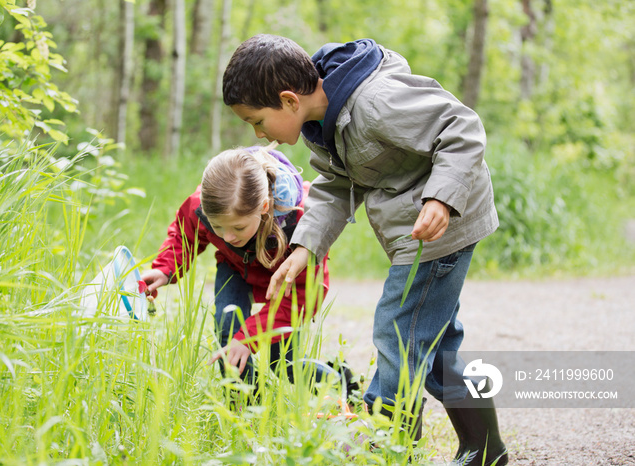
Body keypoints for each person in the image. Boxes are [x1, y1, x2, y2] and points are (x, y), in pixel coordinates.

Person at [222, 34, 508, 465]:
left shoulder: (376, 102)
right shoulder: (322, 124)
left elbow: (462, 127)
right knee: (432, 347)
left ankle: (385, 445)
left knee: (398, 330)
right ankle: (485, 451)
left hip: (443, 226)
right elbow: (336, 187)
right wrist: (304, 248)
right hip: (416, 231)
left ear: (288, 99)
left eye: (257, 121)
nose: (260, 135)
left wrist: (442, 198)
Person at [141, 144, 345, 401]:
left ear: (263, 206)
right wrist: (165, 269)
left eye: (238, 227)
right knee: (228, 331)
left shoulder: (303, 225)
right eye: (217, 227)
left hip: (286, 284)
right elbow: (185, 236)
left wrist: (248, 338)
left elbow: (304, 297)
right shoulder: (205, 206)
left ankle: (341, 384)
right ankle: (245, 405)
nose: (227, 236)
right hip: (235, 267)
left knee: (282, 364)